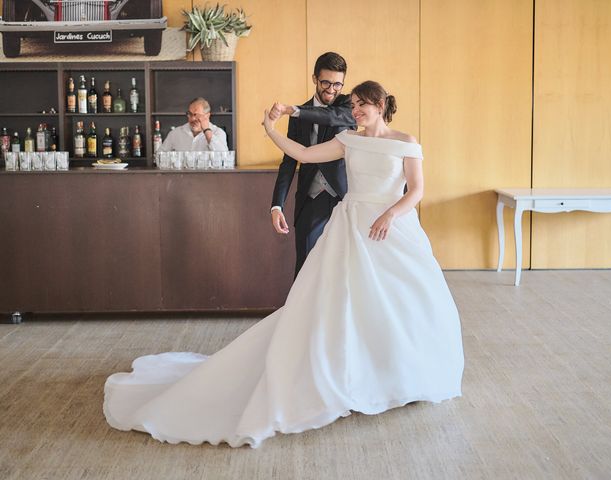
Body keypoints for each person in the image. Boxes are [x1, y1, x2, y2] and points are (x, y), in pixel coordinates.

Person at [103, 80, 464, 449]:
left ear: (382, 104)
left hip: (392, 226)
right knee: (343, 304)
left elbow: (417, 189)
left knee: (402, 302)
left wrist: (390, 215)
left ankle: (402, 375)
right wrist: (271, 130)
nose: (356, 111)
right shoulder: (347, 140)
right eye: (353, 106)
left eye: (362, 105)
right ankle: (347, 376)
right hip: (351, 227)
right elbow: (304, 155)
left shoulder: (406, 140)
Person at [270, 52, 356, 277]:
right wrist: (277, 205)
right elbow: (289, 162)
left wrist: (295, 110)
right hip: (311, 199)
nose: (331, 89)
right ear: (314, 79)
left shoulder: (347, 106)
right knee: (306, 269)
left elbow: (330, 116)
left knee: (344, 269)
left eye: (338, 83)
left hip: (344, 198)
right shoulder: (297, 115)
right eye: (326, 82)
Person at [159, 97, 228, 152]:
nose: (192, 119)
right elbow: (159, 156)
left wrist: (207, 131)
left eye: (196, 115)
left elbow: (224, 159)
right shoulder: (175, 133)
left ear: (207, 116)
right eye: (190, 114)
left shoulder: (218, 133)